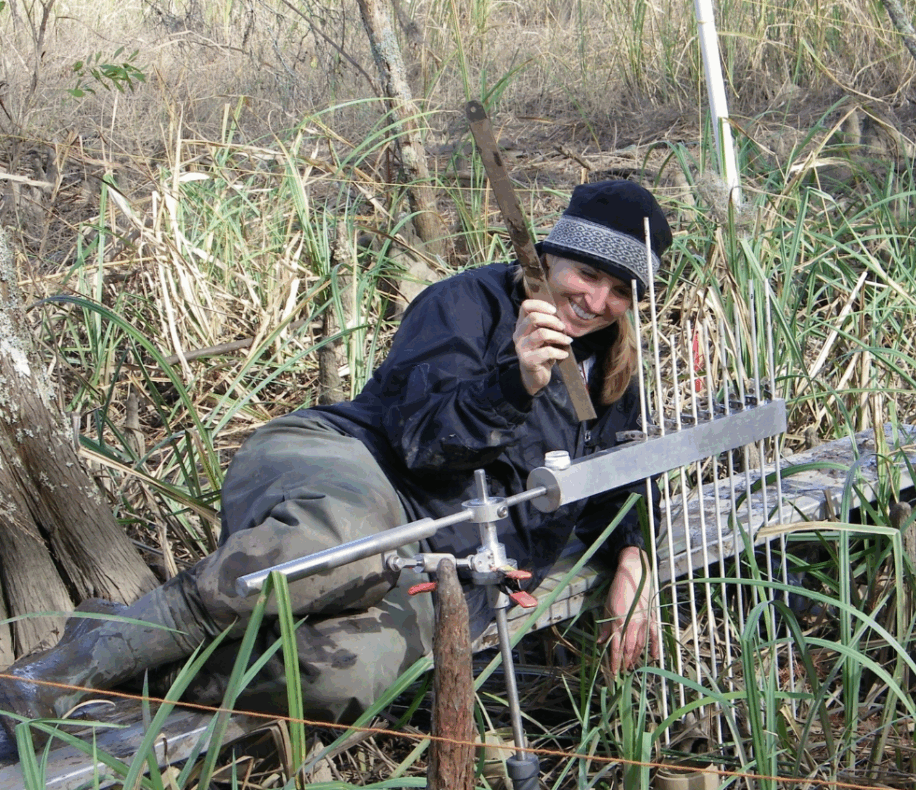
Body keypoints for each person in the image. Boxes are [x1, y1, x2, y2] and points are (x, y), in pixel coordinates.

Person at [0, 179, 672, 736]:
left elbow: (621, 478)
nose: (597, 302)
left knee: (345, 672)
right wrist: (512, 384)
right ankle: (57, 672)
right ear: (552, 255)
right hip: (348, 463)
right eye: (588, 275)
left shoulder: (613, 372)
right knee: (340, 543)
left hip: (442, 558)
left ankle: (140, 673)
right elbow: (417, 439)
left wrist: (634, 562)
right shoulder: (472, 304)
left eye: (621, 292)